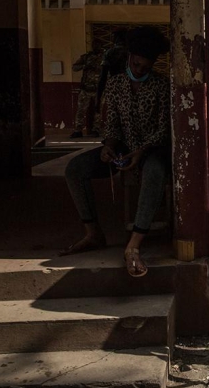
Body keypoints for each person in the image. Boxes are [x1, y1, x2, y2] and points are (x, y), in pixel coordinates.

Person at [61, 26, 171, 279]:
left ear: (152, 64)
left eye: (145, 67)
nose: (139, 70)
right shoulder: (115, 83)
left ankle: (133, 246)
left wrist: (140, 152)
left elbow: (164, 130)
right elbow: (111, 125)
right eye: (136, 64)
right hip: (123, 148)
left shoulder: (161, 86)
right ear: (130, 57)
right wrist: (109, 147)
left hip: (152, 149)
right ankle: (92, 233)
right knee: (75, 169)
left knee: (154, 171)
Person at [70, 41, 104, 138]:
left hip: (99, 89)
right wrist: (85, 66)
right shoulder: (86, 57)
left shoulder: (105, 58)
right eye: (94, 45)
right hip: (86, 88)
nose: (96, 47)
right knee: (80, 110)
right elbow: (74, 67)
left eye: (98, 45)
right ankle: (78, 130)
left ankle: (96, 130)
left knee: (98, 110)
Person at [97, 28, 129, 104]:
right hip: (130, 88)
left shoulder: (110, 53)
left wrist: (98, 98)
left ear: (116, 39)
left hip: (114, 88)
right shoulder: (132, 53)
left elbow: (103, 77)